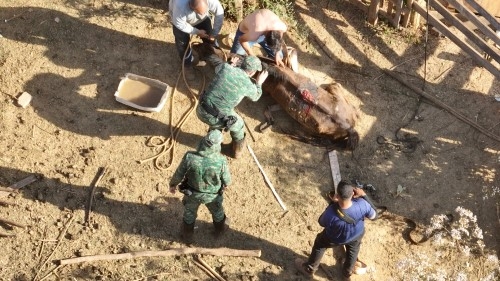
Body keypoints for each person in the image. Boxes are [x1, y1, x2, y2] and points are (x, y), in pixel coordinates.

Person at [295, 181, 377, 280]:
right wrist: (364, 195)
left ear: (337, 195)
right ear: (353, 194)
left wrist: (332, 203)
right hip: (357, 235)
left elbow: (321, 222)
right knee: (353, 252)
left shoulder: (331, 212)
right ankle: (346, 275)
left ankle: (309, 269)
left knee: (320, 244)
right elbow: (374, 216)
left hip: (334, 238)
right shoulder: (363, 204)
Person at [196, 55, 269, 158]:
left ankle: (214, 132)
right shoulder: (248, 84)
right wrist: (259, 83)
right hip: (213, 117)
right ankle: (235, 152)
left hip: (200, 109)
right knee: (239, 125)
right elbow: (256, 97)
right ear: (253, 72)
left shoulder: (226, 68)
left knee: (219, 113)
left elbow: (219, 70)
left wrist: (230, 64)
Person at [169, 129, 231, 243]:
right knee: (217, 212)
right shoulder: (221, 161)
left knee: (189, 213)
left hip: (192, 193)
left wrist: (173, 184)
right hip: (213, 195)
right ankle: (220, 229)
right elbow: (227, 179)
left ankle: (187, 234)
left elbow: (179, 173)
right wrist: (226, 184)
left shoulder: (190, 157)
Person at [169, 0, 224, 66]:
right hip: (181, 21)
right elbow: (180, 24)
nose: (203, 14)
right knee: (183, 43)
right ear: (192, 9)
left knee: (210, 37)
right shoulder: (180, 6)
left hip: (202, 18)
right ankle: (188, 62)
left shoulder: (211, 1)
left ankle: (213, 55)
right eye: (201, 13)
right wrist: (197, 32)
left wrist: (213, 34)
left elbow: (219, 13)